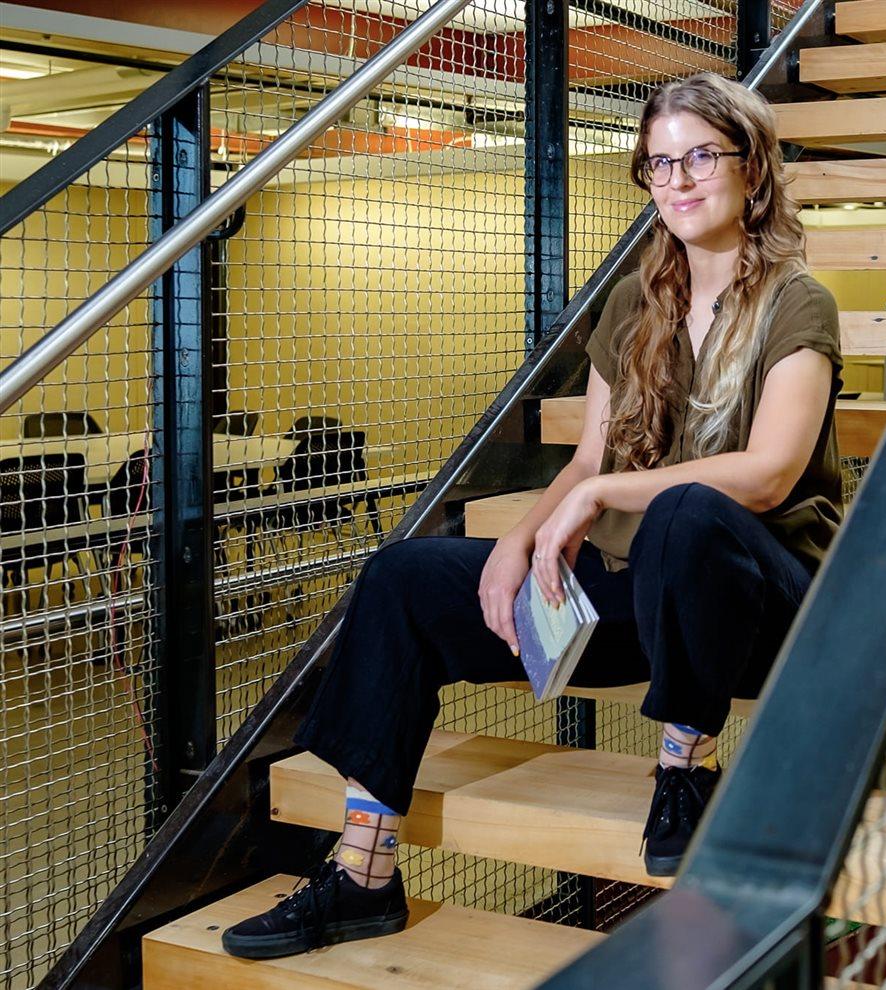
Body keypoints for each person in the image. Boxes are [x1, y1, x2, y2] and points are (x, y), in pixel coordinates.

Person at [221, 71, 842, 960]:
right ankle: (363, 874)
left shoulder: (796, 300)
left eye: (701, 155)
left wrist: (596, 498)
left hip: (757, 605)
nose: (679, 180)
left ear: (753, 168)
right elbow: (588, 457)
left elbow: (772, 474)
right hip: (645, 599)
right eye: (659, 164)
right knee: (403, 576)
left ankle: (684, 773)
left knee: (689, 512)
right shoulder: (635, 304)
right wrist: (515, 540)